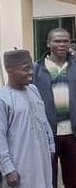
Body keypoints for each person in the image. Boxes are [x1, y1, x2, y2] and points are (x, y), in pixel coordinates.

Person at [33, 28, 76, 188]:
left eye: (65, 41)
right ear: (48, 43)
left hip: (73, 134)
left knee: (75, 181)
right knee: (48, 179)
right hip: (47, 134)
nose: (62, 44)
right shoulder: (36, 70)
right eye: (57, 41)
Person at [0, 50, 54, 188]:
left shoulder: (33, 90)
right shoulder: (4, 98)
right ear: (10, 70)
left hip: (42, 160)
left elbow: (44, 120)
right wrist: (8, 168)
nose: (31, 72)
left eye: (31, 68)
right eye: (26, 69)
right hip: (20, 165)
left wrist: (51, 146)